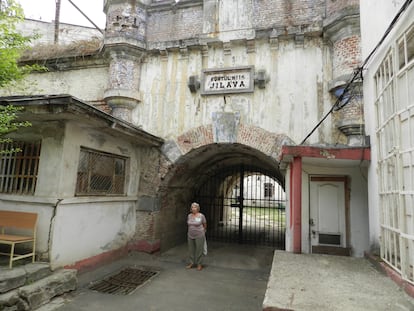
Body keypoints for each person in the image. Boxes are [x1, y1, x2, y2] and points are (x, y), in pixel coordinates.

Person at [186, 202, 207, 271]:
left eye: (195, 207)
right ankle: (191, 263)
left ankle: (199, 264)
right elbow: (188, 224)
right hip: (190, 235)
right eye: (192, 207)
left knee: (199, 250)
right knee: (191, 250)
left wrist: (203, 231)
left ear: (198, 208)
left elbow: (204, 224)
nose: (193, 208)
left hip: (199, 235)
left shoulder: (201, 216)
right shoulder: (189, 216)